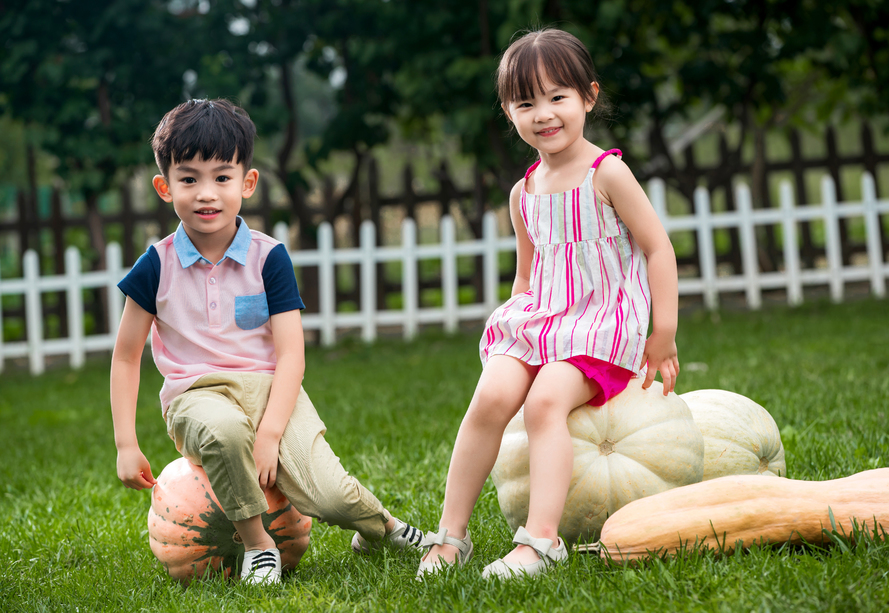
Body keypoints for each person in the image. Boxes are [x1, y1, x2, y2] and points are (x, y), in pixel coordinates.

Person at [110, 99, 424, 585]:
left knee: (331, 496)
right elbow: (127, 356)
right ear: (164, 186)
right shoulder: (156, 265)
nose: (206, 194)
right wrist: (125, 443)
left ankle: (381, 528)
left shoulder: (268, 257)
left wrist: (272, 433)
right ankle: (259, 546)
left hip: (270, 391)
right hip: (197, 396)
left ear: (247, 183)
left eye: (222, 177)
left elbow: (291, 353)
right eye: (189, 179)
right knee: (225, 433)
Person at [417, 28, 680, 580]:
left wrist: (665, 332)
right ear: (509, 112)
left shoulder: (607, 173)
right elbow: (528, 275)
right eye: (525, 102)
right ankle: (449, 536)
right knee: (490, 397)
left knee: (543, 404)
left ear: (588, 96)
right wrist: (516, 339)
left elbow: (658, 247)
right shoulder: (524, 192)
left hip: (602, 326)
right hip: (546, 321)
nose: (543, 113)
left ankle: (539, 542)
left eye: (557, 96)